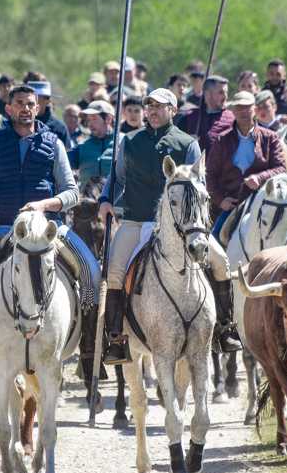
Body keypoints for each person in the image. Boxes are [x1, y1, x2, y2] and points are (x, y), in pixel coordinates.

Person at [0, 84, 100, 385]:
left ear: (38, 108)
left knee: (92, 271)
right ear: (8, 109)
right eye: (19, 103)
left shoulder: (54, 142)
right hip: (5, 228)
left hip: (49, 229)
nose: (25, 108)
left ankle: (88, 352)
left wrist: (44, 205)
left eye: (30, 103)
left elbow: (72, 192)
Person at [97, 88, 238, 362]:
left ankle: (225, 328)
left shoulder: (188, 144)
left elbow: (198, 189)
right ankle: (116, 338)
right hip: (137, 220)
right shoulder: (130, 140)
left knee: (221, 262)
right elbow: (117, 178)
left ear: (173, 110)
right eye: (149, 106)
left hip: (182, 228)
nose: (152, 111)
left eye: (159, 106)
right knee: (114, 273)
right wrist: (105, 199)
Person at [205, 91, 287, 229]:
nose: (243, 111)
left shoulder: (270, 138)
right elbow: (209, 175)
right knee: (215, 240)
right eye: (238, 108)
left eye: (247, 107)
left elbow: (281, 168)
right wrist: (220, 201)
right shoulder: (221, 140)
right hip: (231, 205)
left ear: (254, 110)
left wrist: (259, 178)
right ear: (233, 111)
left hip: (265, 202)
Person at [178, 74, 233, 153]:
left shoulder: (233, 119)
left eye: (226, 92)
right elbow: (176, 145)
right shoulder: (189, 118)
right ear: (207, 94)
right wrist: (188, 143)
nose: (225, 97)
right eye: (221, 92)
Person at [70, 100, 115, 188]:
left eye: (94, 119)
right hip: (86, 200)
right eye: (88, 120)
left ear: (108, 119)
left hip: (116, 200)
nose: (90, 124)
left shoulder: (123, 143)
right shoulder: (82, 146)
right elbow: (62, 164)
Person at [26, 80, 71, 146]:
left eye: (36, 98)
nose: (31, 102)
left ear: (47, 101)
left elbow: (66, 154)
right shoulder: (17, 124)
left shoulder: (59, 128)